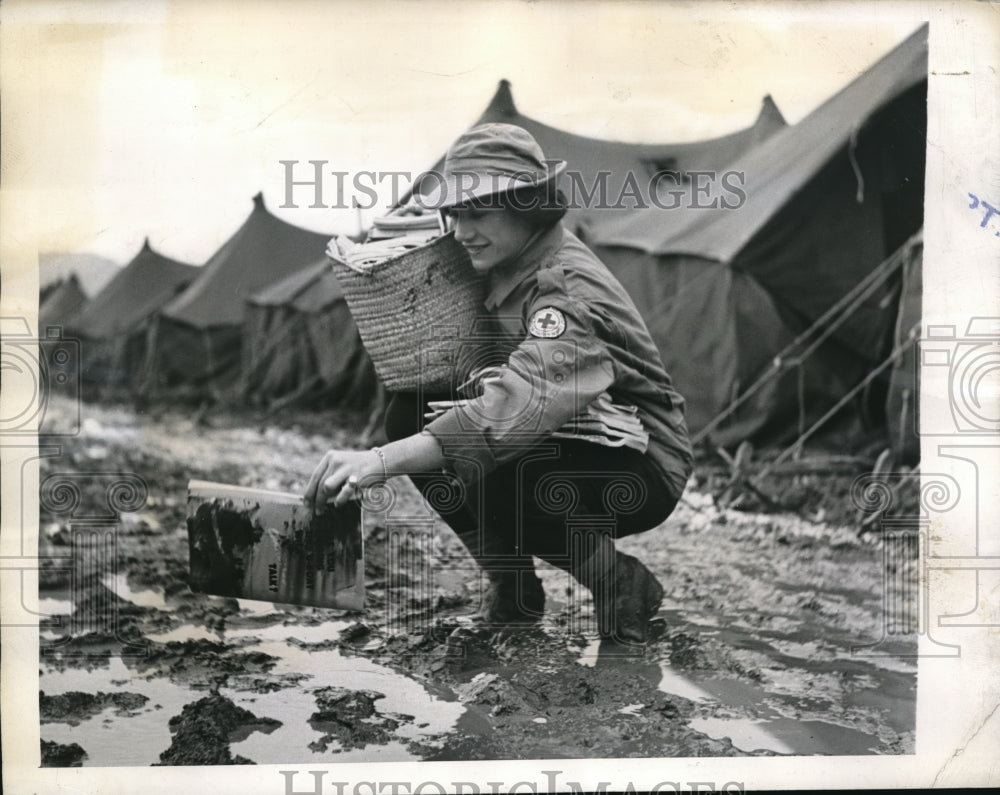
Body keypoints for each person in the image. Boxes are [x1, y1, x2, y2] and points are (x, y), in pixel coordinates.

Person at [305, 123, 693, 643]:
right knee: (410, 410)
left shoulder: (566, 289)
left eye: (479, 211)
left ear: (527, 204)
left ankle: (620, 583)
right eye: (456, 214)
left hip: (645, 464)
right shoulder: (502, 259)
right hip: (577, 435)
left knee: (499, 465)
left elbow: (511, 412)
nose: (462, 231)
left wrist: (378, 462)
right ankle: (514, 588)